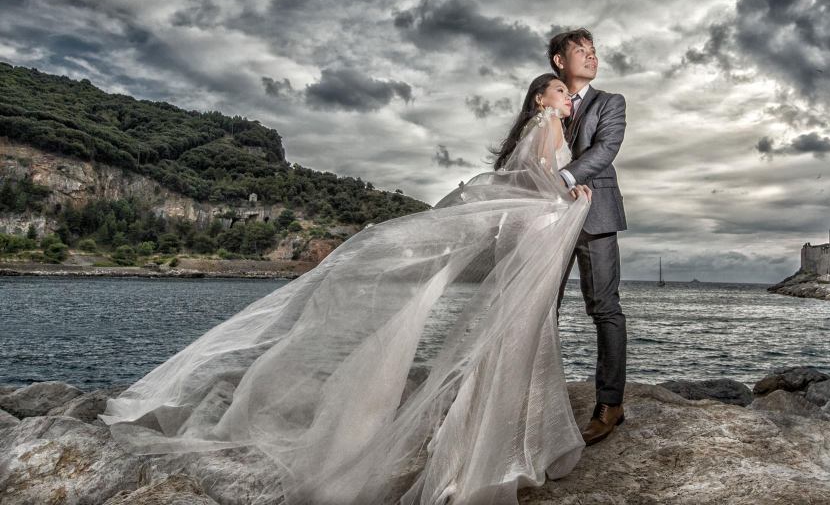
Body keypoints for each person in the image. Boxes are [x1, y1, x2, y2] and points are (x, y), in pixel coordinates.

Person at [101, 74, 594, 505]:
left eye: (566, 95)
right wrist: (571, 192)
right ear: (539, 100)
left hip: (528, 233)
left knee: (515, 333)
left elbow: (524, 179)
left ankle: (494, 445)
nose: (567, 98)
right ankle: (506, 449)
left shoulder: (533, 129)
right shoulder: (548, 123)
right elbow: (543, 178)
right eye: (559, 91)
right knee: (522, 333)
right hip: (537, 230)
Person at [549, 28, 628, 446]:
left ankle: (611, 404)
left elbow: (606, 149)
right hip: (549, 220)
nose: (591, 56)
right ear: (560, 60)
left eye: (594, 51)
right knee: (543, 308)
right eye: (581, 51)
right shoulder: (546, 99)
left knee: (604, 307)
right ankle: (536, 398)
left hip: (596, 214)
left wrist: (561, 178)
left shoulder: (610, 102)